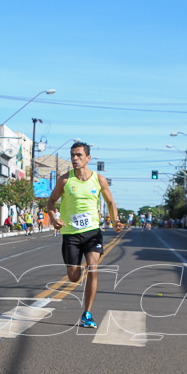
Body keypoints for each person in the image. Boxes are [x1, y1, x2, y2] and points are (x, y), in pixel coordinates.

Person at [46, 141, 123, 328]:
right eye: (72, 155)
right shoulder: (64, 180)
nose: (74, 158)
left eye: (79, 155)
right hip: (71, 234)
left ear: (88, 158)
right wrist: (54, 219)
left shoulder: (99, 179)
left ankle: (87, 313)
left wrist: (115, 221)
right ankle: (75, 272)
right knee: (73, 276)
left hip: (92, 232)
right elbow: (50, 202)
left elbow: (110, 202)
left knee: (93, 268)